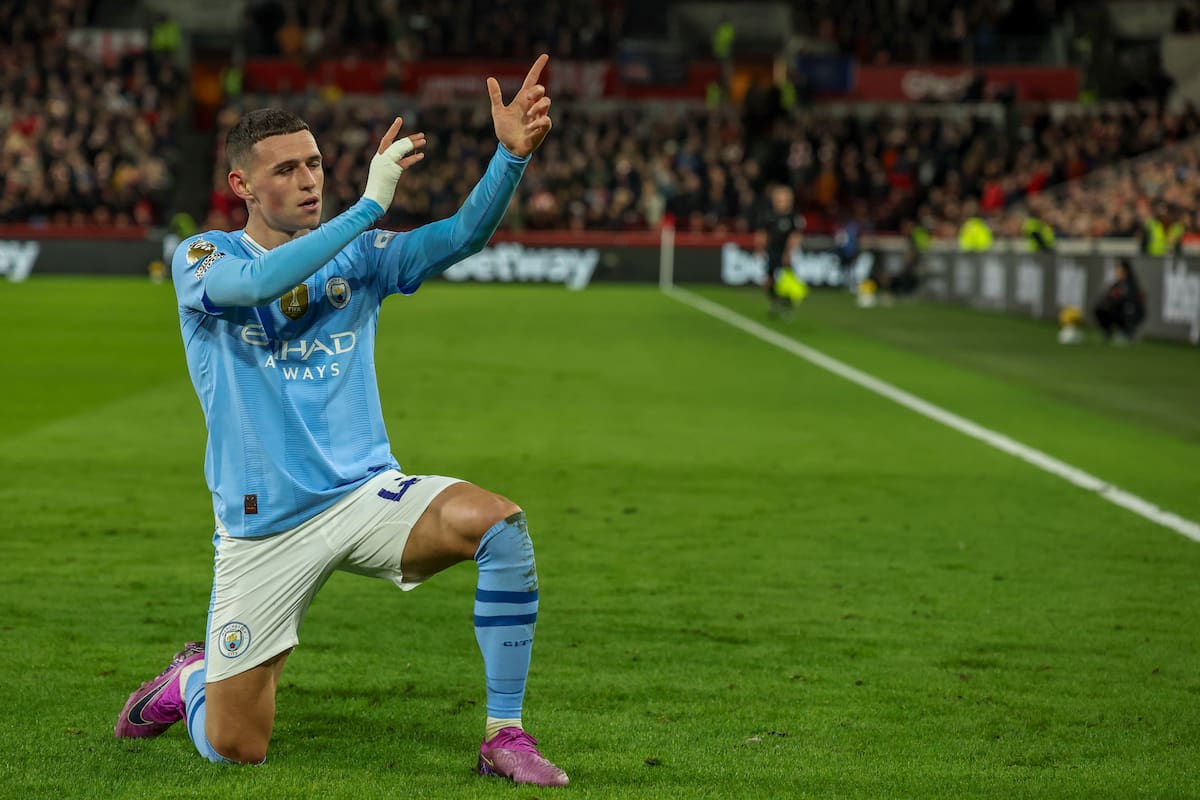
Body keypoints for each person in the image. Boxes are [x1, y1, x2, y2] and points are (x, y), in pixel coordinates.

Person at [113, 55, 568, 788]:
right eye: (287, 169)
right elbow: (260, 282)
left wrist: (509, 158)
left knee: (500, 525)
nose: (308, 180)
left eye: (315, 163)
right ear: (241, 186)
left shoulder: (360, 254)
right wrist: (367, 208)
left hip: (363, 496)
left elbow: (456, 237)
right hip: (263, 529)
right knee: (237, 748)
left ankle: (504, 734)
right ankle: (191, 682)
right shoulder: (203, 256)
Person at [755, 183, 805, 319]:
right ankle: (775, 301)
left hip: (787, 254)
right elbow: (762, 233)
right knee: (769, 280)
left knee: (787, 281)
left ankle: (787, 305)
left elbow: (796, 236)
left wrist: (789, 252)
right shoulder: (768, 215)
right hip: (772, 252)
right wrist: (760, 248)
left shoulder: (793, 216)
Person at [1094, 257, 1146, 343]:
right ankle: (1108, 331)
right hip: (1117, 310)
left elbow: (1133, 299)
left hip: (1130, 311)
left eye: (1118, 269)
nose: (1116, 271)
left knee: (1128, 308)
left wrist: (1117, 300)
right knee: (1101, 309)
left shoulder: (1131, 283)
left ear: (1124, 270)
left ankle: (1128, 332)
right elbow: (1109, 296)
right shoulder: (1117, 283)